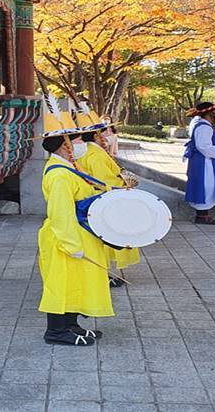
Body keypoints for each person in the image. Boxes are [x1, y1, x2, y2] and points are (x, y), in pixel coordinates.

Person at [37, 97, 112, 345]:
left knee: (74, 282)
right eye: (77, 139)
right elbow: (61, 213)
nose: (82, 143)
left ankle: (71, 325)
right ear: (64, 145)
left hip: (77, 233)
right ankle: (56, 331)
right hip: (64, 237)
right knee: (61, 282)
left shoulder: (68, 168)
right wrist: (70, 244)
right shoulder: (59, 175)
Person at [74, 103, 139, 286]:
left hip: (92, 201)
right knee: (105, 240)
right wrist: (124, 183)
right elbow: (104, 181)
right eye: (102, 133)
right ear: (94, 135)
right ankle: (102, 275)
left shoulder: (88, 151)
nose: (105, 136)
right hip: (102, 200)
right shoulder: (94, 154)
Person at [183, 102, 215, 225]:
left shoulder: (202, 125)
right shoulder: (204, 127)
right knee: (206, 185)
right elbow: (204, 147)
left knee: (205, 184)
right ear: (210, 113)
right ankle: (202, 216)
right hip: (204, 161)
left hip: (202, 160)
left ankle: (203, 214)